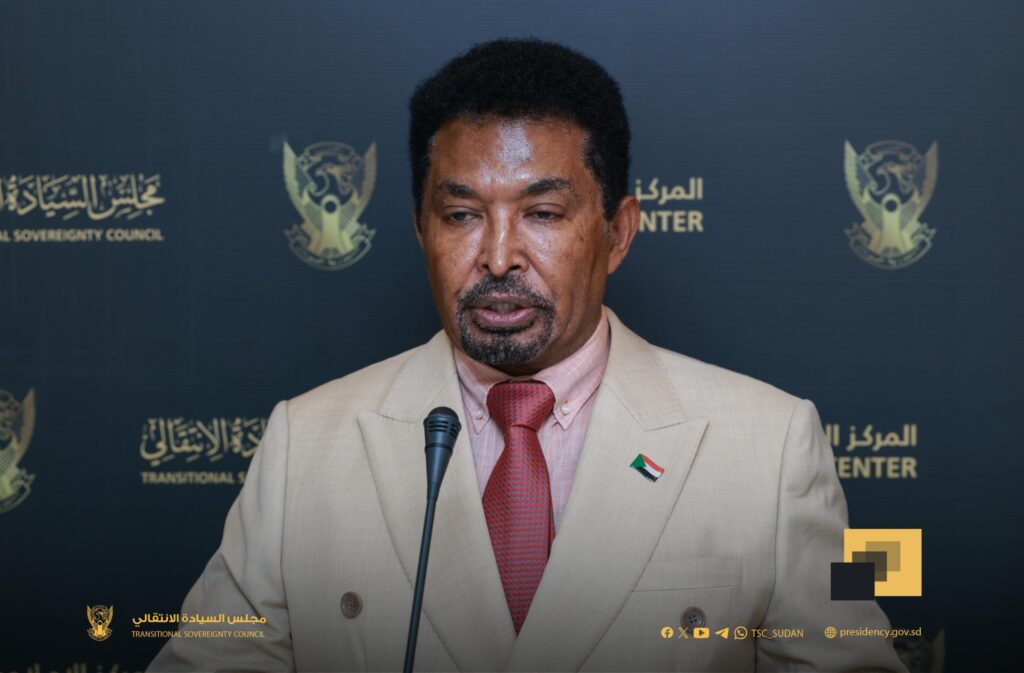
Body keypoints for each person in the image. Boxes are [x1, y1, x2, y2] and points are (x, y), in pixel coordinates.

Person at [148, 38, 908, 672]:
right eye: (461, 215)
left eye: (542, 212)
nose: (498, 256)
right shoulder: (303, 443)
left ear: (618, 231)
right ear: (419, 229)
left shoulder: (775, 446)